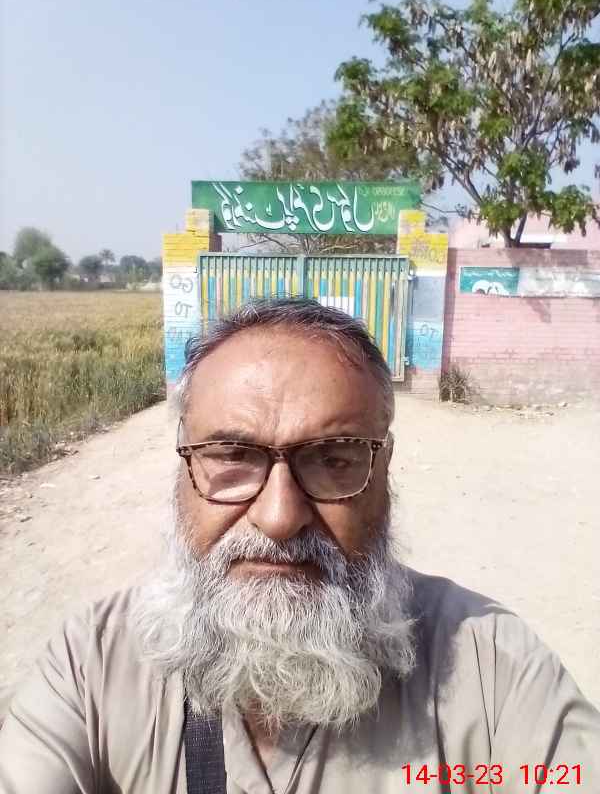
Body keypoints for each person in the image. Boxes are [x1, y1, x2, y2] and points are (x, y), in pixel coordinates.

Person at [0, 297, 598, 794]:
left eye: (334, 460)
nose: (280, 517)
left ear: (384, 473)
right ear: (182, 472)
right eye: (232, 456)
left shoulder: (489, 670)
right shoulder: (93, 667)